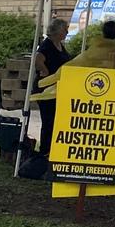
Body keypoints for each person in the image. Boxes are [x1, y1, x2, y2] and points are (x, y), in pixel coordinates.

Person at [33, 18, 72, 155]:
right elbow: (38, 58)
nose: (67, 32)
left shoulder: (60, 45)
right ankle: (45, 150)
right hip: (46, 89)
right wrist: (44, 71)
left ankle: (53, 148)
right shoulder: (47, 45)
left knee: (56, 119)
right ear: (57, 31)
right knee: (49, 119)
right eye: (64, 29)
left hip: (58, 88)